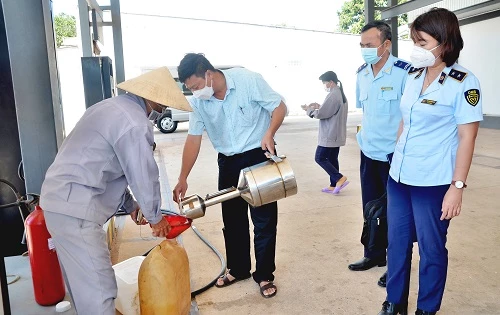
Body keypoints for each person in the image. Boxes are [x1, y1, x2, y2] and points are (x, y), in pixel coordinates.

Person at [39, 67, 191, 314]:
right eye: (163, 104)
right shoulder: (134, 123)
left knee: (83, 288)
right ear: (154, 98)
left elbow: (106, 167)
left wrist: (131, 205)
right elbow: (143, 173)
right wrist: (156, 218)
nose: (162, 110)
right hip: (77, 209)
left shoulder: (109, 107)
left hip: (59, 203)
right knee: (100, 291)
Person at [378, 8, 483, 315]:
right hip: (399, 176)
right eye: (414, 41)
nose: (416, 49)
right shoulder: (412, 74)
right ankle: (394, 302)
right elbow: (405, 119)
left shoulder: (464, 82)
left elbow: (467, 138)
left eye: (422, 42)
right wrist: (394, 156)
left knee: (431, 248)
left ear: (445, 43)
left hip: (433, 181)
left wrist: (457, 186)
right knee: (396, 243)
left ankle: (427, 309)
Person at [172, 53, 287, 298]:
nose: (195, 93)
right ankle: (239, 268)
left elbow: (279, 106)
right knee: (233, 219)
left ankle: (264, 274)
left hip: (259, 154)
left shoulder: (247, 80)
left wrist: (269, 132)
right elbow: (193, 139)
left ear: (209, 74)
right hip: (228, 162)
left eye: (196, 86)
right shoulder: (199, 103)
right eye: (190, 89)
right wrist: (183, 177)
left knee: (264, 220)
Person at [349, 21, 411, 288]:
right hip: (369, 153)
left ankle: (397, 265)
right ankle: (374, 255)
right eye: (362, 45)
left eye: (370, 45)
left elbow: (411, 118)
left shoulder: (405, 73)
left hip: (392, 156)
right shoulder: (361, 73)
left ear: (386, 45)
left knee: (396, 216)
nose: (365, 50)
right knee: (370, 208)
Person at [301, 71, 349, 194]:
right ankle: (334, 185)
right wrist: (319, 106)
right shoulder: (339, 93)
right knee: (332, 159)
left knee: (320, 157)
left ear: (331, 82)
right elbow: (330, 109)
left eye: (324, 83)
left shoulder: (333, 95)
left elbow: (322, 114)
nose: (324, 85)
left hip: (330, 134)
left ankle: (339, 178)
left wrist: (309, 110)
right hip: (337, 134)